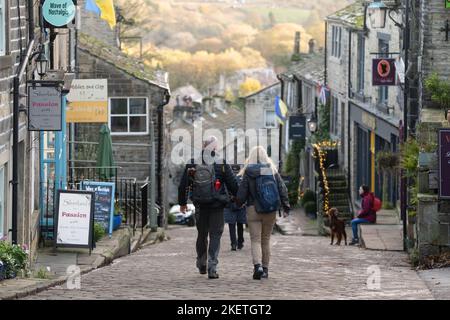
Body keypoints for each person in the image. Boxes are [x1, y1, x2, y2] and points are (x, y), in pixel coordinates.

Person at [178, 136, 238, 279]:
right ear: (215, 148)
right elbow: (233, 184)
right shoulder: (221, 163)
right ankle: (212, 267)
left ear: (203, 146)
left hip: (200, 205)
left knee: (202, 235)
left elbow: (183, 185)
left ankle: (201, 262)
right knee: (215, 235)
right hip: (217, 205)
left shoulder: (192, 163)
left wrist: (182, 203)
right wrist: (238, 198)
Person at [236, 146, 290, 280]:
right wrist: (286, 207)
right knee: (265, 240)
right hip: (270, 209)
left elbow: (242, 193)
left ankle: (257, 266)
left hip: (253, 209)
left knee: (255, 240)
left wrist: (238, 203)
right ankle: (265, 269)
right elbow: (282, 189)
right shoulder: (271, 171)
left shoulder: (248, 172)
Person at [224, 165, 246, 251]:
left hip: (230, 204)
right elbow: (245, 190)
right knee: (240, 224)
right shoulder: (242, 178)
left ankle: (233, 243)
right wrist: (244, 201)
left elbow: (224, 190)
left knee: (231, 225)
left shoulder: (227, 178)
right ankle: (240, 242)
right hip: (241, 204)